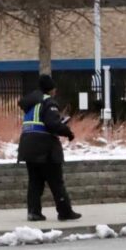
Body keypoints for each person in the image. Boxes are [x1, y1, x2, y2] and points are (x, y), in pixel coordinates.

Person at [17, 73, 80, 222]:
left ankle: (33, 212)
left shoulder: (31, 104)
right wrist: (67, 132)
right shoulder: (48, 102)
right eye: (54, 88)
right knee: (56, 181)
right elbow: (52, 124)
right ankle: (65, 212)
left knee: (35, 182)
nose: (55, 91)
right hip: (45, 147)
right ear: (50, 89)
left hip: (28, 146)